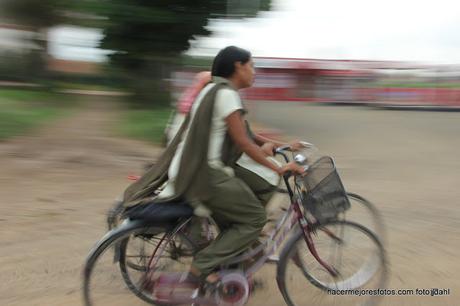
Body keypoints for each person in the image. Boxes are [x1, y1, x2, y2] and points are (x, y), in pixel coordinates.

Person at [123, 46, 305, 288]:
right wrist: (279, 169)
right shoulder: (226, 94)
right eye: (251, 66)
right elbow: (243, 141)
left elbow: (247, 135)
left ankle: (233, 268)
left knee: (243, 211)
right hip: (205, 175)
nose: (254, 72)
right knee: (254, 218)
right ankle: (201, 268)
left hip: (193, 171)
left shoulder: (213, 90)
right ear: (238, 67)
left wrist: (283, 147)